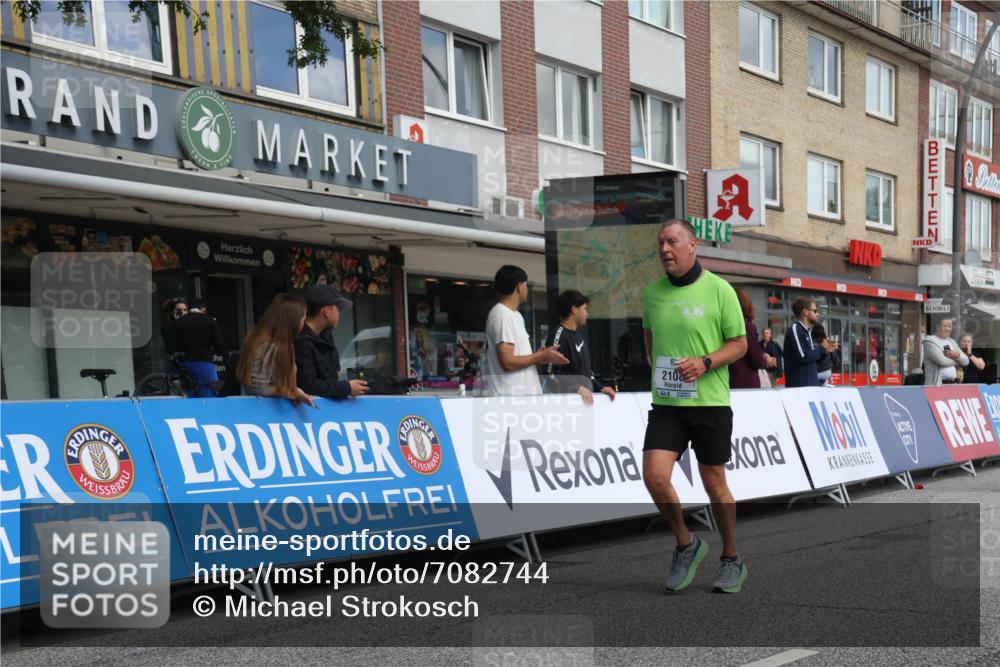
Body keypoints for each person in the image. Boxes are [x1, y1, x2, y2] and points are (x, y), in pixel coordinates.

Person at [642, 219, 749, 594]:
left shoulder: (720, 290)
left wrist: (704, 363)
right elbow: (649, 337)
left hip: (710, 402)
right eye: (660, 244)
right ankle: (686, 544)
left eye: (672, 242)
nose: (665, 250)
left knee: (714, 483)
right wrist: (661, 371)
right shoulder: (652, 292)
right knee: (654, 476)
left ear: (692, 245)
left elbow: (739, 344)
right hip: (668, 403)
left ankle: (731, 558)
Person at [483, 265, 568, 396]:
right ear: (519, 286)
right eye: (525, 284)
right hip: (509, 399)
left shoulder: (515, 315)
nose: (526, 289)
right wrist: (540, 356)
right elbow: (507, 362)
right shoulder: (501, 315)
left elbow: (516, 358)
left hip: (523, 398)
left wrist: (540, 357)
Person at [235, 294, 316, 406]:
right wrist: (292, 391)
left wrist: (293, 392)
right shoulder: (268, 346)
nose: (304, 323)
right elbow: (258, 388)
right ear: (292, 321)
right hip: (259, 412)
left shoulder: (272, 343)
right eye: (303, 319)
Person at [294, 285, 369, 400]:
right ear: (327, 311)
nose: (340, 314)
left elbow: (334, 371)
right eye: (338, 308)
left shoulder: (326, 334)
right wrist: (346, 388)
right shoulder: (301, 342)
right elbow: (309, 385)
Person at [544, 290, 617, 405]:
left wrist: (601, 387)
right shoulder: (559, 335)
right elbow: (550, 373)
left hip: (583, 405)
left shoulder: (579, 336)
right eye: (585, 309)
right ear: (574, 309)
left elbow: (587, 373)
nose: (587, 314)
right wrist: (577, 388)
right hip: (565, 406)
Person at [166, 299, 227, 398]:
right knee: (209, 397)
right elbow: (219, 345)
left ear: (189, 309)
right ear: (203, 309)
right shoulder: (209, 321)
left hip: (185, 365)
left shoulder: (178, 323)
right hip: (205, 365)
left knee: (188, 396)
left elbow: (171, 348)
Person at [783, 297, 838, 388]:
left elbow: (811, 359)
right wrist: (821, 348)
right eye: (815, 311)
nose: (817, 313)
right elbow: (803, 357)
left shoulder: (806, 331)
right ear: (805, 311)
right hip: (799, 389)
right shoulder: (796, 329)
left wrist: (825, 351)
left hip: (810, 387)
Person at [728, 287, 768, 390]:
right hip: (746, 384)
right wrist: (765, 360)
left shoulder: (722, 326)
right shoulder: (747, 327)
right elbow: (755, 359)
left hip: (727, 382)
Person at [922, 319, 968, 386]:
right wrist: (958, 361)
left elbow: (966, 361)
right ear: (938, 326)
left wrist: (957, 356)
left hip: (953, 384)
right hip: (936, 385)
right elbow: (942, 361)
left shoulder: (952, 342)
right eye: (944, 326)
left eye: (949, 327)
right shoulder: (929, 342)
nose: (947, 329)